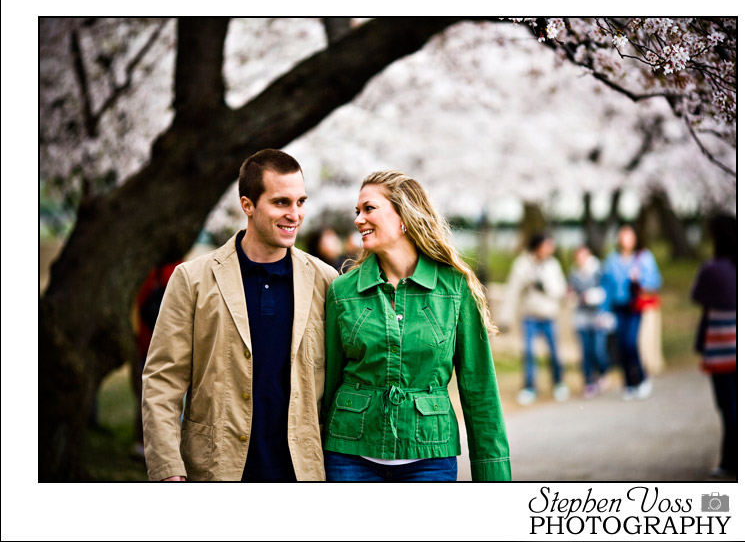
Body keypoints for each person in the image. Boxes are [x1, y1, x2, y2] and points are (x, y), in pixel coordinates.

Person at [141, 149, 338, 481]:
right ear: (247, 205)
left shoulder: (326, 280)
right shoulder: (193, 279)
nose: (295, 214)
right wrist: (168, 471)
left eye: (300, 202)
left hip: (302, 473)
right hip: (216, 470)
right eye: (281, 202)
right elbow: (163, 381)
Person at [322, 170, 511, 481]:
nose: (358, 220)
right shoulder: (342, 291)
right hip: (349, 457)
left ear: (403, 216)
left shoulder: (455, 288)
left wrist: (495, 478)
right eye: (357, 211)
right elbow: (328, 385)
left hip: (430, 457)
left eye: (369, 209)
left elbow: (480, 391)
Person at [690, 213, 736, 478]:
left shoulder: (711, 269)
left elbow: (698, 297)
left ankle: (731, 459)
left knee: (728, 406)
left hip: (721, 344)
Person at [501, 232, 569, 405]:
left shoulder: (553, 265)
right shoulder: (522, 265)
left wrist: (545, 285)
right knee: (529, 353)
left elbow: (561, 291)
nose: (550, 249)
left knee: (554, 352)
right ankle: (529, 387)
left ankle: (559, 383)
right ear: (538, 247)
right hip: (529, 316)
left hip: (548, 316)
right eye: (547, 245)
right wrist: (505, 318)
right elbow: (512, 292)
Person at [601, 224, 662, 400]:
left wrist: (640, 278)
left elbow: (655, 281)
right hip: (617, 307)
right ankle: (628, 383)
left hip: (634, 306)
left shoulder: (643, 258)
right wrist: (603, 311)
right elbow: (606, 286)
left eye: (629, 236)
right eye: (622, 236)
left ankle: (641, 378)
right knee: (620, 346)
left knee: (630, 343)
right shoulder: (611, 260)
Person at [131, 256, 181, 458]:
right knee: (156, 397)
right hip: (162, 344)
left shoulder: (148, 270)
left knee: (149, 396)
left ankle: (145, 446)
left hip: (153, 343)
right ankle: (151, 447)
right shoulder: (177, 269)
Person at [568, 244, 612, 398]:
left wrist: (594, 298)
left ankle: (604, 372)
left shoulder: (599, 271)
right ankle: (589, 382)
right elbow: (572, 292)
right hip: (582, 318)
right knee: (585, 352)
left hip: (598, 317)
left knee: (598, 350)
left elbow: (607, 292)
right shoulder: (574, 273)